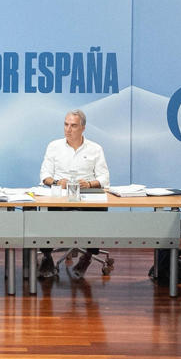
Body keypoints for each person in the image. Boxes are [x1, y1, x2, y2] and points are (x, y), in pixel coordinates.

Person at [38, 109, 110, 278]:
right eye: (66, 124)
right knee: (42, 214)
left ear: (83, 128)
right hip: (60, 195)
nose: (68, 129)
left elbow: (104, 178)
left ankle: (88, 255)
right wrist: (57, 182)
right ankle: (47, 257)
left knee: (98, 211)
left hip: (86, 195)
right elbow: (44, 176)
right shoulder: (54, 146)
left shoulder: (95, 148)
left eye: (73, 125)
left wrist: (90, 183)